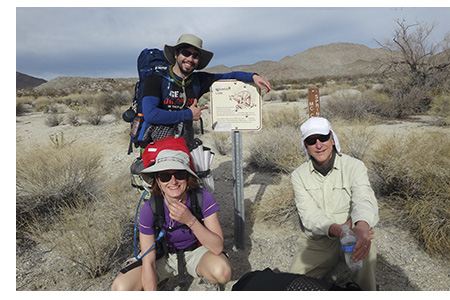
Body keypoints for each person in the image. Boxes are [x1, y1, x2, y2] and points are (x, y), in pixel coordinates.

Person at [111, 141, 232, 290]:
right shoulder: (150, 208)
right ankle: (159, 281)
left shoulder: (203, 198)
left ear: (188, 177)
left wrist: (190, 220)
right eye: (165, 176)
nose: (173, 181)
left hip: (195, 252)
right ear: (157, 181)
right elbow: (148, 260)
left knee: (223, 272)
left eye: (179, 174)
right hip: (162, 257)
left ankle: (206, 277)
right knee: (121, 288)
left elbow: (217, 246)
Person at [289, 117, 379, 291]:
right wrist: (339, 229)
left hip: (354, 232)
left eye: (323, 138)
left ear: (332, 139)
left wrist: (361, 226)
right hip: (318, 240)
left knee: (366, 259)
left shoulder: (355, 166)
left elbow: (364, 199)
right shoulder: (298, 176)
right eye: (311, 141)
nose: (318, 145)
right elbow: (309, 216)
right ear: (305, 146)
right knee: (294, 282)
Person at [140, 33, 271, 149]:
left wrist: (253, 76)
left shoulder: (199, 80)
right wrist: (188, 115)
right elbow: (151, 114)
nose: (190, 59)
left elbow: (229, 76)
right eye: (186, 53)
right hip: (156, 145)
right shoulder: (156, 79)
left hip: (184, 143)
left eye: (195, 56)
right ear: (176, 54)